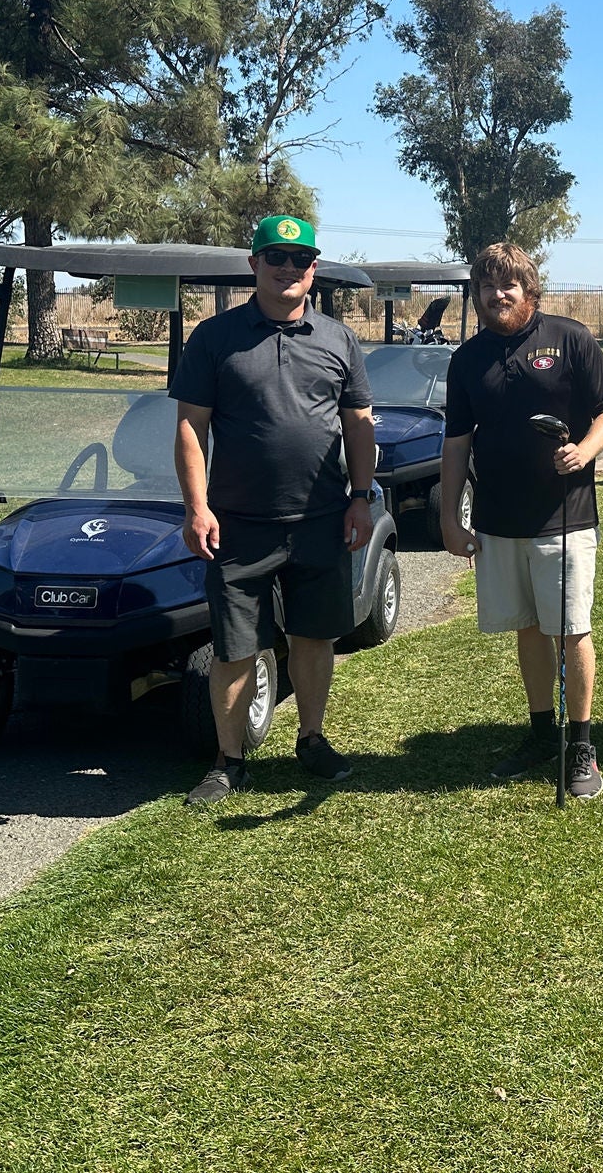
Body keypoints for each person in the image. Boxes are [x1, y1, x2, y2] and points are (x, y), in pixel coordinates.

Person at [174, 214, 378, 806]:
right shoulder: (214, 338)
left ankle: (311, 740)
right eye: (276, 257)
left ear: (313, 268)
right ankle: (229, 761)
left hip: (321, 519)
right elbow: (190, 427)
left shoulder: (339, 339)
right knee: (235, 647)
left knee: (313, 637)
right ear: (254, 264)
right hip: (237, 525)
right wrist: (197, 507)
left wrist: (360, 499)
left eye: (301, 259)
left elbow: (359, 426)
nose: (289, 268)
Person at [439, 242, 603, 799]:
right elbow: (457, 443)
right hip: (498, 519)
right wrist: (449, 516)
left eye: (508, 285)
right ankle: (542, 732)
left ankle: (581, 744)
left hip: (564, 516)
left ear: (529, 290)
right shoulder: (467, 359)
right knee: (527, 627)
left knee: (570, 629)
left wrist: (585, 450)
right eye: (487, 286)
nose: (498, 295)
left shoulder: (570, 338)